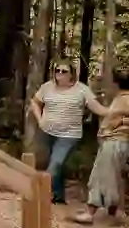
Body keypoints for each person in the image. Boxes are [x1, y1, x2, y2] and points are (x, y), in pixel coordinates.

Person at [30, 60, 110, 204]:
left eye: (64, 71)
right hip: (48, 131)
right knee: (56, 164)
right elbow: (35, 102)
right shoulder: (47, 87)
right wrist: (40, 119)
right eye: (57, 71)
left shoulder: (82, 89)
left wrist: (115, 111)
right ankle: (58, 196)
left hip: (69, 135)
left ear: (72, 74)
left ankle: (38, 192)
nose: (59, 74)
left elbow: (97, 108)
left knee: (56, 163)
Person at [73, 69, 129, 224]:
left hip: (117, 141)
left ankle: (98, 212)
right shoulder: (121, 98)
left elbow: (119, 118)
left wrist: (121, 122)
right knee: (106, 176)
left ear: (116, 84)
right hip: (112, 141)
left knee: (104, 176)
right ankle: (110, 213)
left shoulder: (126, 99)